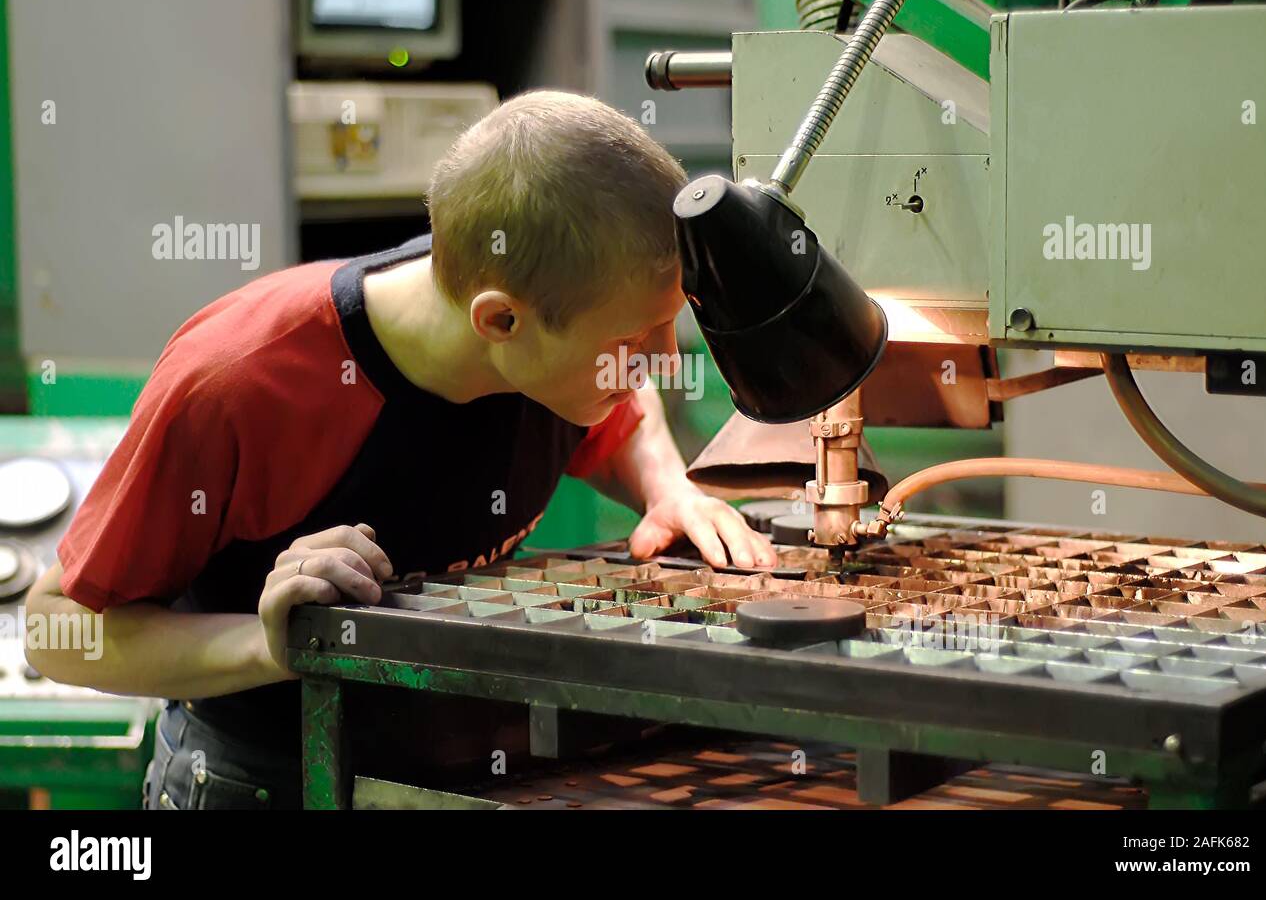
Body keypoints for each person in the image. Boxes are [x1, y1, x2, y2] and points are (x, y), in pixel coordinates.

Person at [24, 90, 776, 808]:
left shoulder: (557, 337)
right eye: (634, 341)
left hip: (460, 775)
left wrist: (666, 486)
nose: (662, 362)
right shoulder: (237, 385)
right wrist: (267, 644)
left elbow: (621, 410)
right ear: (501, 322)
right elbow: (57, 630)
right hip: (268, 784)